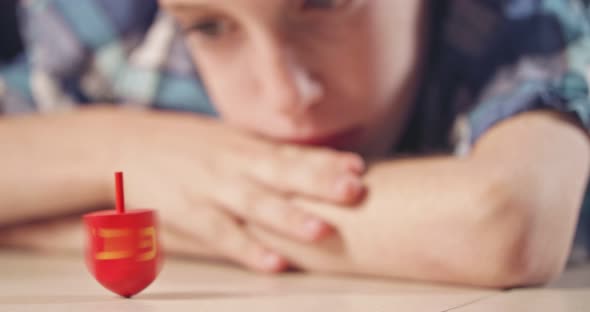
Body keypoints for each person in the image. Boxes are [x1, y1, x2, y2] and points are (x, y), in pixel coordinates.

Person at [0, 0, 589, 288]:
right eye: (210, 27)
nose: (285, 96)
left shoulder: (525, 20)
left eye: (324, 1)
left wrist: (78, 215)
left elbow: (506, 224)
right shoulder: (118, 30)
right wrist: (124, 145)